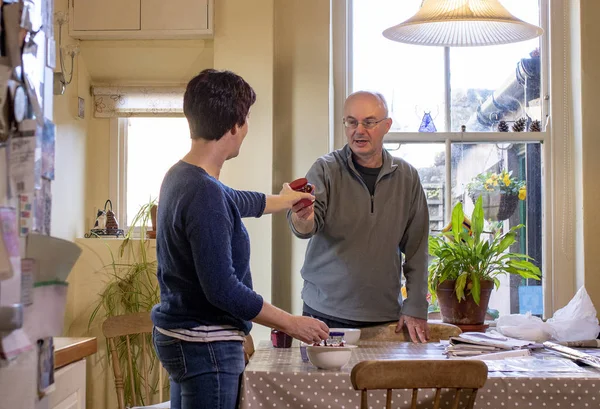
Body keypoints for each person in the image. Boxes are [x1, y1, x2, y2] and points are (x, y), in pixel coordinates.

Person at [151, 69, 329, 409]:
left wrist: (286, 199)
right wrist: (292, 323)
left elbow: (235, 200)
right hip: (207, 347)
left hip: (180, 338)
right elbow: (224, 291)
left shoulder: (180, 176)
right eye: (245, 120)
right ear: (234, 125)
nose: (247, 128)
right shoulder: (205, 193)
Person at [287, 90, 430, 343]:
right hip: (324, 316)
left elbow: (417, 249)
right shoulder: (325, 169)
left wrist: (416, 305)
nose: (359, 130)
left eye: (369, 122)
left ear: (386, 126)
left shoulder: (408, 177)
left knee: (380, 384)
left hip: (386, 318)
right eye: (351, 122)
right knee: (322, 385)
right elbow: (304, 227)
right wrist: (302, 215)